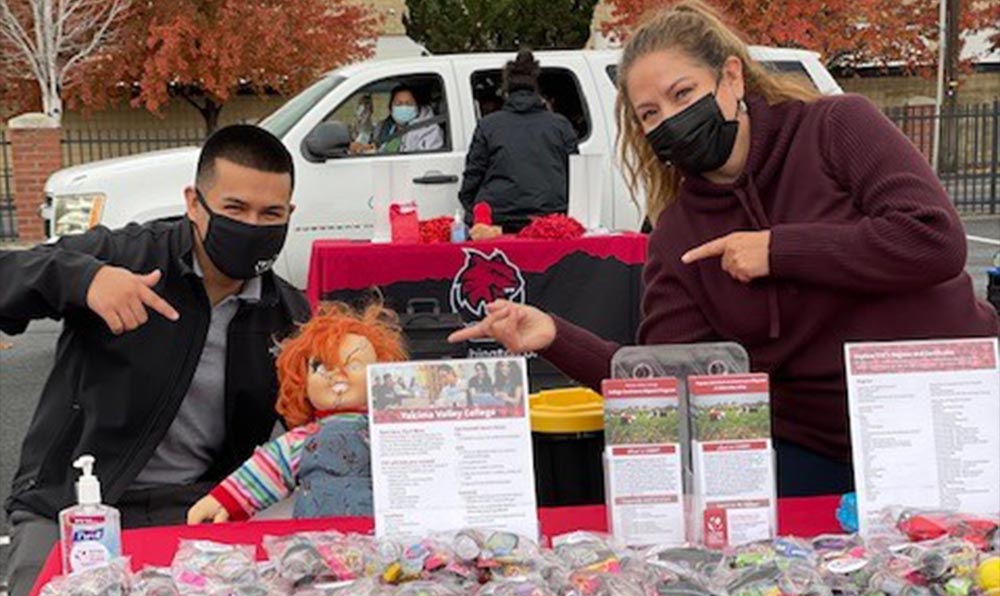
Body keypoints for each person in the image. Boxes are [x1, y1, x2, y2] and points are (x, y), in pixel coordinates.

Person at [450, 2, 999, 497]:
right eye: (649, 114)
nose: (669, 119)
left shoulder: (836, 126)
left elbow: (935, 239)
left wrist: (779, 250)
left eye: (682, 94)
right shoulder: (678, 237)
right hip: (814, 451)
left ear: (731, 77)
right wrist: (553, 335)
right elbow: (664, 381)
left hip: (947, 413)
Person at [0, 125, 309, 596]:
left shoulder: (288, 314)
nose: (251, 225)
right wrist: (82, 279)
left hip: (203, 504)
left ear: (289, 214)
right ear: (193, 203)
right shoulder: (125, 257)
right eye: (234, 209)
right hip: (71, 501)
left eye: (270, 213)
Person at [458, 49, 580, 236]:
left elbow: (473, 176)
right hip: (548, 223)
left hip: (497, 222)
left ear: (506, 92)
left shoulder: (488, 125)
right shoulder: (560, 125)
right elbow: (576, 176)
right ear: (537, 91)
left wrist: (475, 209)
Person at [351, 84, 445, 155]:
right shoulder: (385, 128)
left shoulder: (429, 131)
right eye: (399, 104)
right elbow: (379, 148)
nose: (404, 107)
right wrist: (363, 148)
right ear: (391, 108)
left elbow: (426, 161)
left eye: (409, 103)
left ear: (417, 108)